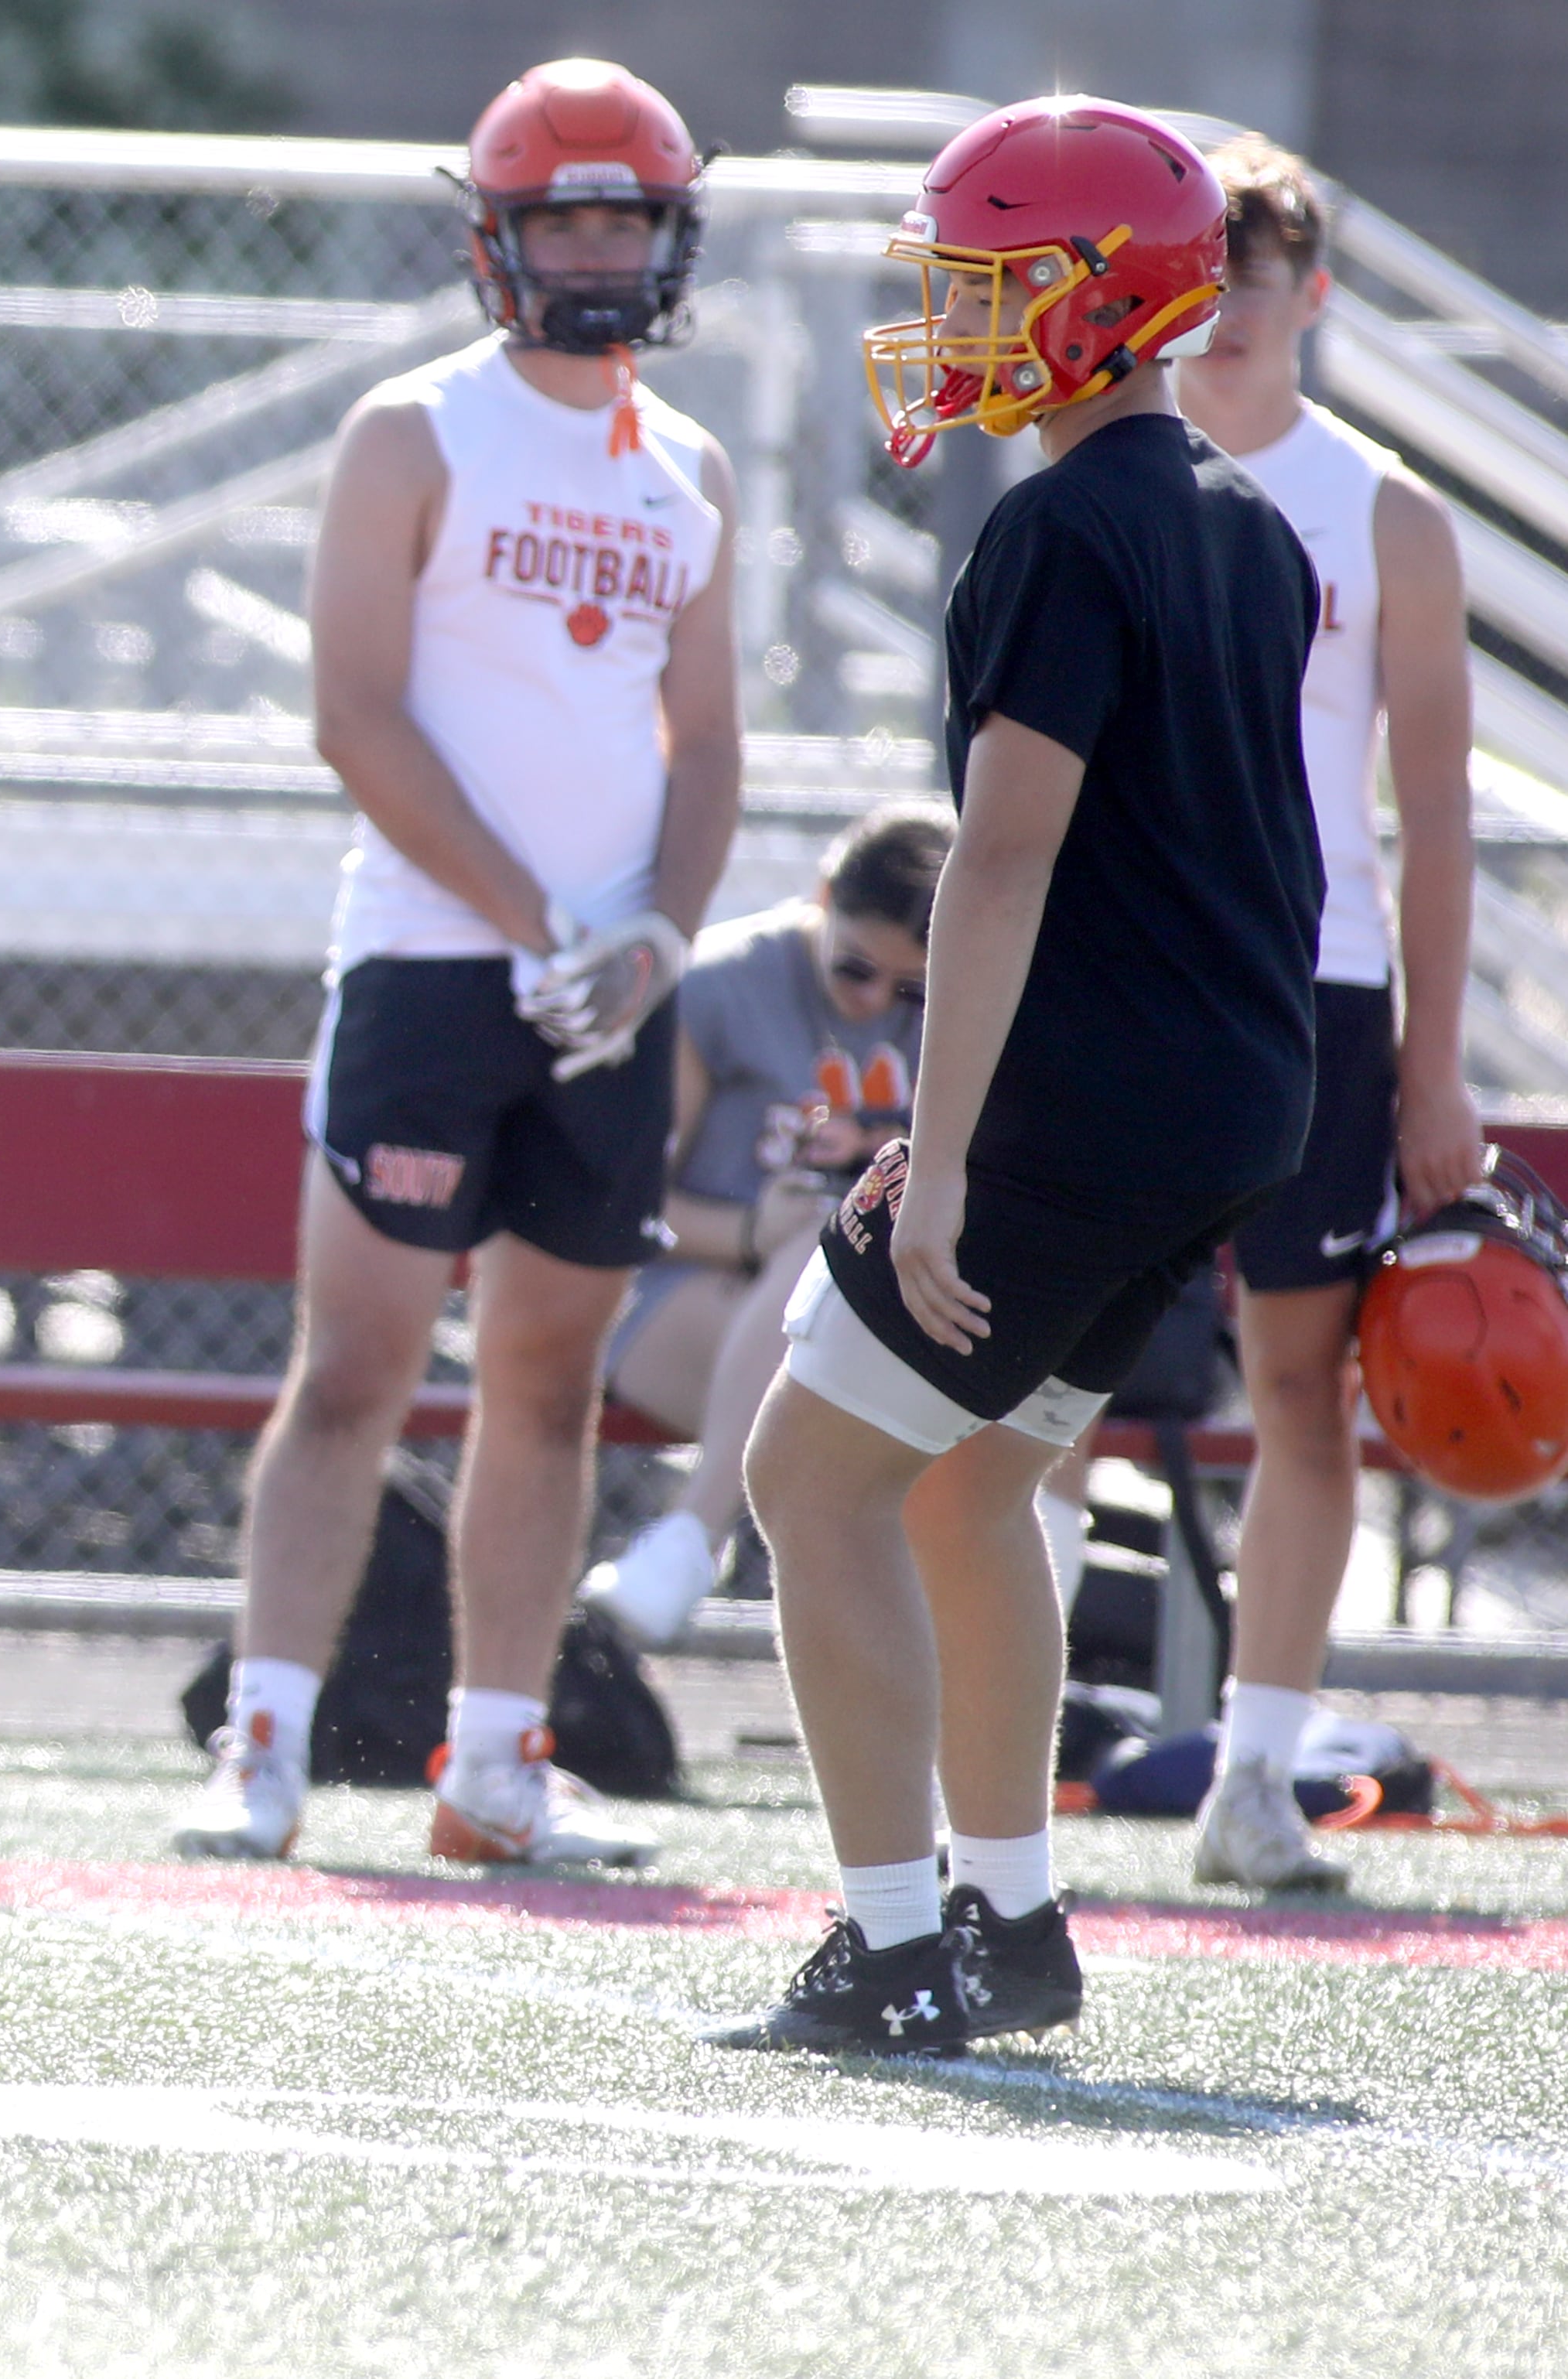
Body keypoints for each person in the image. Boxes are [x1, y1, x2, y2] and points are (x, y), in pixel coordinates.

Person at [716, 98, 1321, 2055]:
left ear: (1094, 297)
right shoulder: (1233, 505)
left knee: (803, 1476)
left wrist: (941, 1149)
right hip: (1231, 1087)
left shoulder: (1056, 524)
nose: (950, 315)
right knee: (970, 1489)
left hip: (1095, 1091)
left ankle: (892, 1945)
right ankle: (1009, 1920)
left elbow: (1001, 853)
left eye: (985, 280)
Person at [173, 56, 740, 1868]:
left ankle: (492, 1763)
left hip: (606, 990)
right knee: (350, 1369)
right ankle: (258, 1741)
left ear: (666, 235)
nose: (591, 245)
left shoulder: (688, 470)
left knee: (549, 1384)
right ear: (492, 237)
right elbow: (352, 718)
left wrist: (653, 935)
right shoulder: (406, 431)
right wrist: (540, 923)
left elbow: (707, 749)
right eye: (559, 212)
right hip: (431, 963)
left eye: (620, 213)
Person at [1173, 136, 1484, 1892]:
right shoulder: (1100, 477)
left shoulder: (1378, 511)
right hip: (1133, 987)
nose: (1220, 299)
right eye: (1193, 265)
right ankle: (994, 1756)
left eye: (1252, 264)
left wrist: (1431, 1063)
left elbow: (1429, 809)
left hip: (1308, 996)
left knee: (1301, 1393)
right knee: (1036, 1382)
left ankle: (1249, 1772)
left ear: (1308, 292)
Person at [579, 805, 951, 1646]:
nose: (876, 1001)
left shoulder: (967, 1008)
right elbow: (628, 1205)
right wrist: (751, 1231)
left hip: (873, 1329)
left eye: (910, 987)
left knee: (843, 1277)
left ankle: (689, 1542)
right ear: (821, 897)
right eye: (856, 969)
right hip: (688, 1301)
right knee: (821, 1245)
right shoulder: (723, 984)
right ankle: (697, 1531)